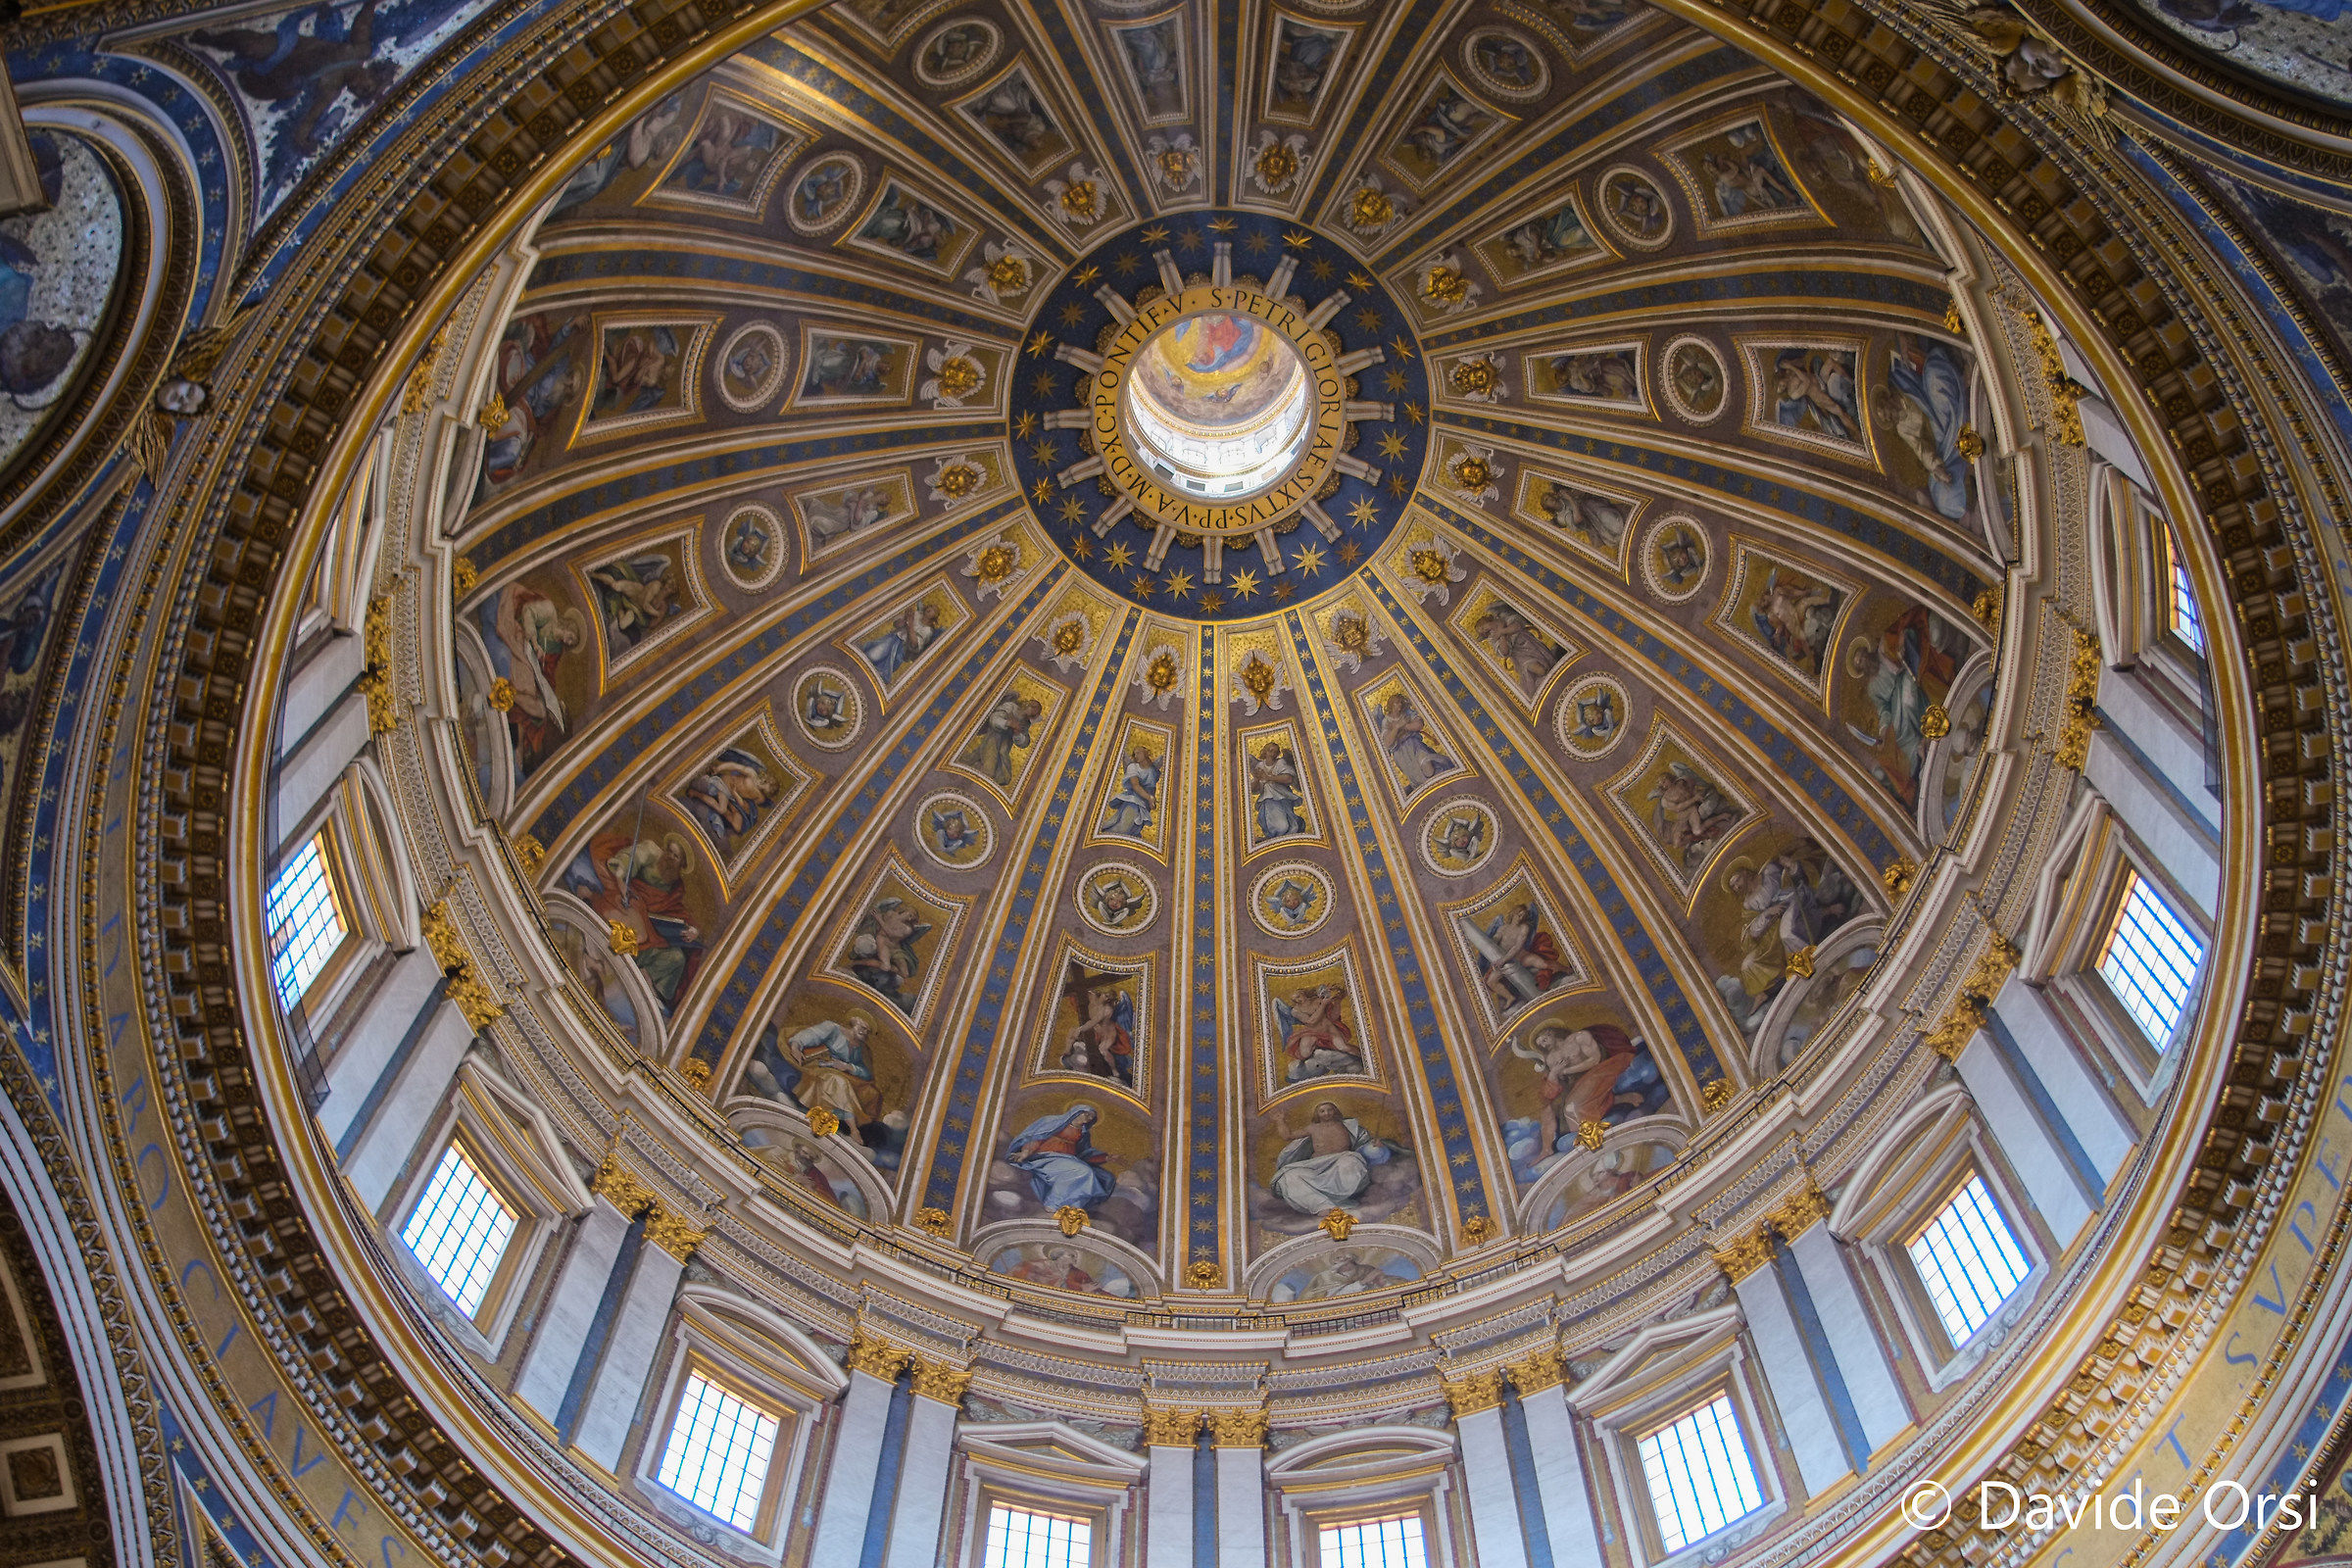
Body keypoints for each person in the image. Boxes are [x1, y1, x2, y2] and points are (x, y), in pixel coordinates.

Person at [1270, 1102, 1392, 1214]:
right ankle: (1322, 1205)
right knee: (1289, 1176)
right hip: (1316, 1166)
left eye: (1330, 1110)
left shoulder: (1348, 1126)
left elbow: (1364, 1141)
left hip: (1342, 1160)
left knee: (1352, 1162)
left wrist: (1375, 1144)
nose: (1326, 1113)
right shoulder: (1313, 1128)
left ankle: (1339, 1198)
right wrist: (1280, 1121)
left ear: (1335, 1111)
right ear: (1317, 1114)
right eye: (1322, 1111)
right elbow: (1288, 1136)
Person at [1006, 1104, 1117, 1210]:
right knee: (1082, 1171)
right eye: (1087, 1114)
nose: (1088, 1118)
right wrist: (1025, 1152)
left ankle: (1072, 1208)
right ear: (1077, 1112)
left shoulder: (1084, 1133)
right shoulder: (1054, 1122)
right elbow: (1036, 1137)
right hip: (1047, 1158)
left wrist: (1106, 1158)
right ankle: (1053, 1204)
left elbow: (1084, 1153)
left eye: (1091, 1117)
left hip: (1069, 1160)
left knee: (1102, 1177)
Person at [786, 1012, 882, 1128]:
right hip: (821, 1066)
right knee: (840, 1082)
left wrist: (848, 1067)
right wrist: (795, 1047)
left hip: (842, 1073)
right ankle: (853, 1129)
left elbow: (866, 1073)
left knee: (872, 1093)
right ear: (854, 1023)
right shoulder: (833, 1028)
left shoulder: (860, 1048)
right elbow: (810, 1035)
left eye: (868, 1031)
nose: (865, 1032)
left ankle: (840, 1119)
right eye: (863, 1028)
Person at [1377, 691, 1453, 785]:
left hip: (1415, 744)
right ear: (1391, 704)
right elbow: (1386, 743)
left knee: (1427, 765)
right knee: (1419, 779)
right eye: (1397, 702)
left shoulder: (1406, 713)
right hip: (1401, 753)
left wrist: (1404, 726)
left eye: (1401, 702)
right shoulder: (1386, 721)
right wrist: (1396, 727)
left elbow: (1419, 725)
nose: (1400, 704)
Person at [1100, 742, 1161, 836]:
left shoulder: (1153, 770)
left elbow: (1152, 788)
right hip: (1133, 800)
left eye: (1138, 753)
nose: (1136, 756)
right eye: (1134, 754)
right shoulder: (1133, 767)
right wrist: (1149, 798)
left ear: (1146, 753)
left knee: (1133, 830)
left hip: (1145, 805)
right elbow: (1135, 785)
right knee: (1123, 826)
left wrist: (1151, 801)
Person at [1249, 740, 1306, 839]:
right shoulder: (1260, 766)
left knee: (1289, 823)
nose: (1273, 754)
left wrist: (1268, 777)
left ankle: (1293, 828)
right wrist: (1257, 779)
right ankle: (1274, 837)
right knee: (1281, 826)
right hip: (1268, 799)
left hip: (1283, 797)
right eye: (1271, 751)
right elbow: (1254, 789)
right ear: (1265, 752)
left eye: (1276, 752)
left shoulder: (1281, 762)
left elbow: (1289, 779)